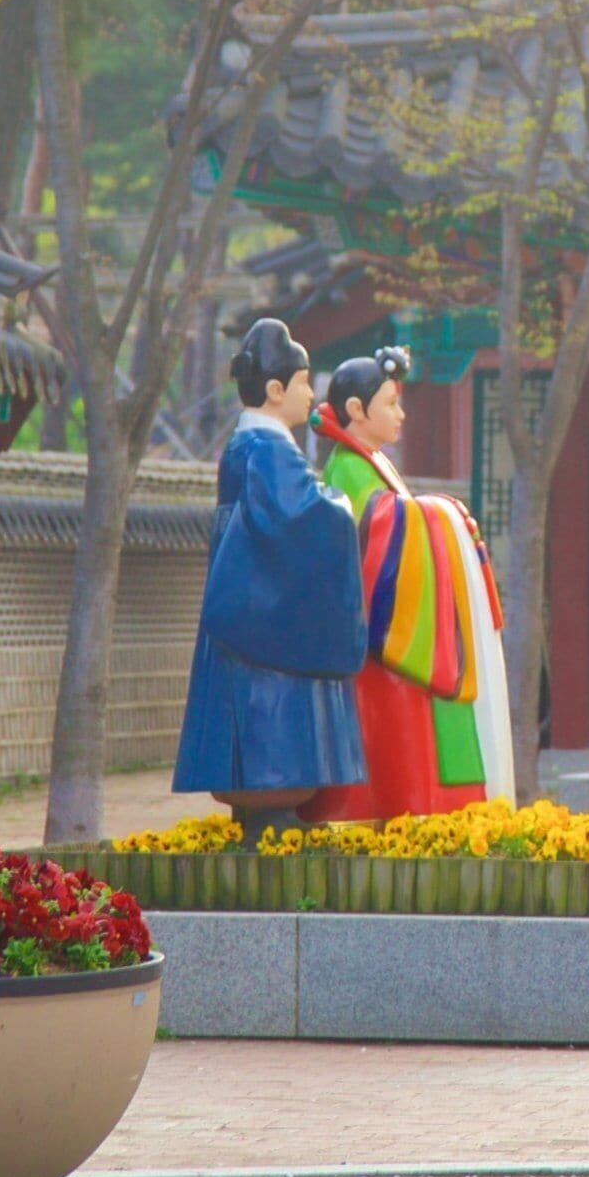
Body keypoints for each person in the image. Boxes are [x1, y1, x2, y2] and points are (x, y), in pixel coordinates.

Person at [171, 319, 369, 818]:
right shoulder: (266, 447)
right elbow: (300, 515)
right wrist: (342, 505)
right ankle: (272, 810)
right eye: (304, 384)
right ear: (276, 389)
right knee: (270, 728)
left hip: (248, 614)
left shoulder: (253, 444)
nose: (311, 395)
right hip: (262, 624)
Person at [302, 349, 505, 821]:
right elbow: (375, 531)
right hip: (378, 644)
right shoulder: (347, 468)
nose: (401, 414)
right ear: (357, 411)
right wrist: (434, 515)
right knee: (394, 732)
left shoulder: (369, 461)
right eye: (391, 404)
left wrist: (430, 515)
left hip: (391, 638)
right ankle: (398, 811)